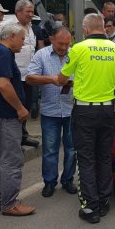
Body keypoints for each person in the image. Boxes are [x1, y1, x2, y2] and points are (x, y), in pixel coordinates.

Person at [54, 14, 115, 223]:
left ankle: (90, 207)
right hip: (107, 111)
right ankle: (105, 200)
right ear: (103, 29)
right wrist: (110, 88)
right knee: (104, 156)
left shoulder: (78, 49)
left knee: (86, 158)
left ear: (86, 29)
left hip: (84, 112)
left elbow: (62, 78)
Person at [0, 24, 36, 217]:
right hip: (4, 115)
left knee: (0, 160)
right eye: (22, 39)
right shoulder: (3, 54)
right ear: (12, 36)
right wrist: (20, 108)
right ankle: (9, 203)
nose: (23, 43)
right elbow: (3, 85)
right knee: (12, 160)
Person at [26, 27, 78, 198]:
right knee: (50, 149)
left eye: (67, 43)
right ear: (51, 39)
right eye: (60, 43)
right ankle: (49, 182)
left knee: (72, 149)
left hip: (72, 109)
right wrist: (52, 79)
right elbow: (30, 77)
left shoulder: (76, 54)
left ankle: (68, 179)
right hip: (50, 110)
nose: (64, 47)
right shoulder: (41, 55)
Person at [0, 0, 40, 147]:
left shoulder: (31, 27)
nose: (31, 15)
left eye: (32, 12)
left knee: (26, 104)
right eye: (27, 12)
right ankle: (15, 136)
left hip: (29, 73)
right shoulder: (9, 25)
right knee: (15, 105)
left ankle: (23, 134)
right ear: (18, 12)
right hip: (13, 72)